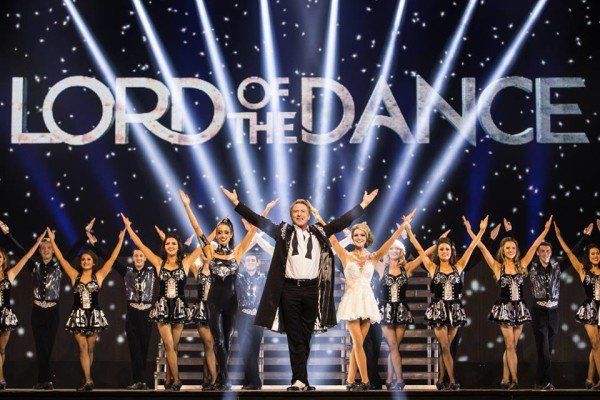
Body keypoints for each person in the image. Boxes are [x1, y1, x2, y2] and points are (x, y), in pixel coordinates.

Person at [222, 187, 378, 391]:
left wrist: (364, 204)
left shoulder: (319, 231)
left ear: (308, 215)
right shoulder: (283, 231)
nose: (299, 214)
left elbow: (342, 222)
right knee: (294, 335)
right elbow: (259, 221)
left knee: (306, 336)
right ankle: (298, 380)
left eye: (303, 211)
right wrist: (237, 203)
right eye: (295, 211)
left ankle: (302, 380)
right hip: (289, 290)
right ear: (291, 215)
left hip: (312, 290)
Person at [179, 190, 276, 389]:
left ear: (231, 234)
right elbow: (197, 228)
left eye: (226, 232)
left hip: (232, 303)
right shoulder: (209, 251)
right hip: (213, 301)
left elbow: (253, 230)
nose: (222, 235)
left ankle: (223, 379)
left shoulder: (237, 252)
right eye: (220, 232)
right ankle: (224, 380)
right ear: (216, 234)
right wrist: (187, 206)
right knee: (218, 341)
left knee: (228, 341)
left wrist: (265, 210)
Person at [121, 213, 205, 392]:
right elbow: (140, 245)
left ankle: (168, 380)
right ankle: (177, 380)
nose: (170, 246)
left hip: (179, 307)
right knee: (168, 345)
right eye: (167, 243)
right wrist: (129, 228)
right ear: (164, 246)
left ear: (178, 246)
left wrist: (210, 230)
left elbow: (203, 245)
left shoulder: (185, 262)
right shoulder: (158, 262)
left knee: (173, 346)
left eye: (173, 243)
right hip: (162, 307)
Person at [467, 216, 552, 389]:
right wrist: (476, 230)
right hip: (504, 308)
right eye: (508, 248)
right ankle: (515, 380)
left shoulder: (522, 265)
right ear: (503, 250)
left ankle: (505, 379)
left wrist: (545, 230)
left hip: (519, 308)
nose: (511, 250)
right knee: (510, 345)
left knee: (512, 346)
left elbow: (534, 246)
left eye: (513, 248)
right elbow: (481, 247)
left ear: (516, 250)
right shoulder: (497, 267)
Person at [0, 220, 86, 389]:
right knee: (40, 346)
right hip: (37, 311)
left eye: (49, 248)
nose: (46, 250)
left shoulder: (60, 265)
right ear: (39, 250)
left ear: (53, 250)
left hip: (53, 311)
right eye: (43, 248)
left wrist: (84, 235)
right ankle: (44, 381)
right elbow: (20, 251)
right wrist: (7, 234)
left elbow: (73, 251)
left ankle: (44, 380)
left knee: (48, 346)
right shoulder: (34, 265)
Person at [407, 216, 487, 390]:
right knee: (444, 346)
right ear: (438, 251)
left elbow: (472, 247)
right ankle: (452, 381)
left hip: (455, 310)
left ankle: (441, 380)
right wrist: (409, 231)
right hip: (439, 309)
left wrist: (480, 231)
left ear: (451, 251)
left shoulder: (459, 266)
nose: (444, 252)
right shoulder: (432, 267)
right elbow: (419, 249)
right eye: (441, 249)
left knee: (448, 348)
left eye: (447, 249)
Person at [47, 227, 124, 391]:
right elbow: (61, 259)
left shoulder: (99, 275)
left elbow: (112, 258)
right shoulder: (74, 275)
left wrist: (120, 241)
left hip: (94, 316)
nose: (85, 261)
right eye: (83, 259)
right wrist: (52, 241)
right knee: (82, 347)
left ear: (94, 262)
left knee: (90, 349)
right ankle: (89, 380)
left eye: (89, 259)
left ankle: (86, 377)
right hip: (78, 315)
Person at [85, 220, 157, 390]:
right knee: (134, 349)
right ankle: (137, 380)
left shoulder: (153, 271)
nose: (138, 258)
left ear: (146, 257)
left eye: (141, 256)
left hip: (146, 314)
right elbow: (109, 258)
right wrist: (94, 243)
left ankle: (143, 381)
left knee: (144, 348)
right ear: (132, 257)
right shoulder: (127, 271)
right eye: (136, 256)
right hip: (132, 315)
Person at [554, 222, 600, 390]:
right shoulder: (583, 270)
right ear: (588, 256)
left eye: (598, 253)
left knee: (598, 346)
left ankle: (589, 378)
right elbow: (569, 253)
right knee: (595, 344)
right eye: (593, 253)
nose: (596, 256)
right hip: (591, 308)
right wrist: (559, 236)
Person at [0, 231, 47, 390]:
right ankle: (1, 378)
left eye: (0, 257)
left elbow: (26, 257)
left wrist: (38, 243)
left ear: (3, 260)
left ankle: (0, 377)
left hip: (5, 314)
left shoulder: (9, 274)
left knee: (1, 349)